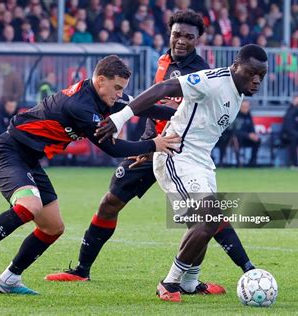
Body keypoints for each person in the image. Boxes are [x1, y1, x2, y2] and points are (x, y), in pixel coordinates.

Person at [45, 11, 256, 296]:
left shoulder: (201, 72)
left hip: (175, 148)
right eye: (177, 34)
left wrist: (158, 138)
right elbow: (152, 102)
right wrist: (145, 141)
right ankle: (82, 270)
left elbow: (182, 113)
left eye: (188, 37)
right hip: (149, 146)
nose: (181, 41)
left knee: (207, 213)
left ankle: (237, 272)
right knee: (110, 203)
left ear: (198, 41)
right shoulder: (163, 60)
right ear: (170, 34)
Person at [0, 55, 180, 295]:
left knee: (53, 227)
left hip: (29, 159)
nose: (120, 94)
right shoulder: (81, 107)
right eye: (117, 88)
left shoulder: (100, 96)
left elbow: (140, 106)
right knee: (29, 206)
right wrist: (154, 144)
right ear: (101, 81)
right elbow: (112, 148)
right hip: (8, 151)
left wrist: (179, 112)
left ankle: (9, 278)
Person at [95, 44, 268, 302]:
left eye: (261, 76)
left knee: (202, 222)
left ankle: (189, 282)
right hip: (177, 157)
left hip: (201, 161)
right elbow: (163, 88)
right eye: (251, 73)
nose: (256, 80)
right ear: (236, 66)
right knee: (208, 217)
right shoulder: (212, 80)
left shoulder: (238, 92)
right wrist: (120, 118)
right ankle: (170, 282)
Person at [232, 100, 261, 166]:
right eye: (244, 107)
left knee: (257, 141)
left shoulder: (249, 116)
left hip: (247, 138)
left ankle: (253, 162)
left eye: (247, 107)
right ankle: (238, 162)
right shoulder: (236, 116)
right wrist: (248, 135)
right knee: (236, 139)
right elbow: (235, 131)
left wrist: (253, 135)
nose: (246, 108)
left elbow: (252, 127)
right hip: (238, 139)